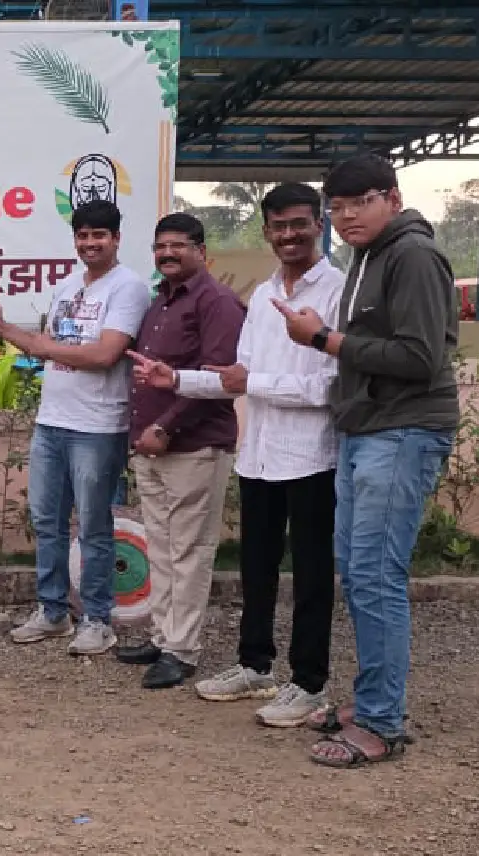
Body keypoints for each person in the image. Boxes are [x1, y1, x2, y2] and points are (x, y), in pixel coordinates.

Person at [129, 184, 342, 724]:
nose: (288, 235)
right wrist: (176, 378)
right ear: (266, 231)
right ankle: (254, 665)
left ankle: (309, 683)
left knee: (312, 575)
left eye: (298, 224)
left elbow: (328, 388)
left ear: (319, 225)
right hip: (260, 455)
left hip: (313, 456)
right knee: (256, 569)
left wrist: (254, 383)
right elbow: (233, 378)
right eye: (278, 226)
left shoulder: (337, 291)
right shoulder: (266, 294)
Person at [272, 154, 458, 767]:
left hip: (402, 431)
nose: (348, 215)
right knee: (358, 572)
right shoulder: (370, 256)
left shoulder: (414, 256)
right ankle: (373, 698)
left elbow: (421, 358)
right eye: (338, 206)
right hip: (368, 428)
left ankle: (381, 722)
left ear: (393, 199)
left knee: (377, 576)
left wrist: (323, 339)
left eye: (361, 202)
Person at [0, 200, 151, 657]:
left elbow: (104, 355)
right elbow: (47, 345)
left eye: (99, 235)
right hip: (52, 421)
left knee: (94, 526)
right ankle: (53, 612)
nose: (90, 243)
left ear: (116, 239)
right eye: (83, 235)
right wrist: (1, 326)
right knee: (47, 522)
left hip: (98, 426)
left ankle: (97, 619)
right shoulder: (67, 286)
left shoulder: (129, 288)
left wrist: (46, 348)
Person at [118, 212, 245, 689]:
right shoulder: (161, 302)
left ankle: (182, 650)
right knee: (162, 547)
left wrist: (165, 427)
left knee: (189, 550)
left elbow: (217, 380)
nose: (167, 254)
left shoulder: (217, 302)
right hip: (151, 447)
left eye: (178, 245)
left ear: (201, 251)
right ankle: (162, 636)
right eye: (160, 247)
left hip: (193, 446)